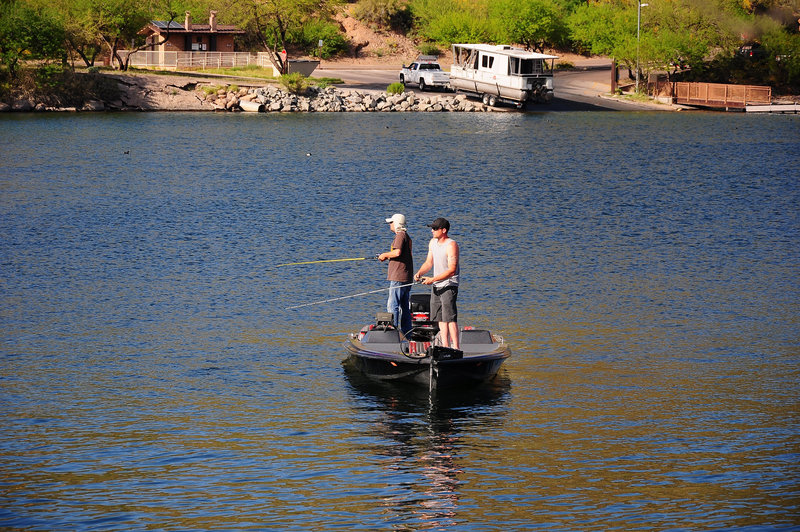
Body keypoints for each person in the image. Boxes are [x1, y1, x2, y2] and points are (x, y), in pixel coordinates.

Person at [414, 217, 460, 350]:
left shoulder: (451, 245)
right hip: (436, 285)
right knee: (440, 318)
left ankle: (456, 348)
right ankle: (445, 347)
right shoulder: (432, 243)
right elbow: (429, 262)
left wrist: (432, 279)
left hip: (448, 285)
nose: (432, 231)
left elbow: (452, 270)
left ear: (444, 230)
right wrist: (420, 273)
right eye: (431, 228)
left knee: (449, 318)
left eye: (435, 228)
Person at [378, 213, 413, 335]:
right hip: (406, 276)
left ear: (397, 223)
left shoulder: (400, 235)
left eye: (391, 222)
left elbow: (397, 252)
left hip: (398, 277)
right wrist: (387, 256)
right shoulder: (406, 236)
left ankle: (394, 333)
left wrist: (385, 255)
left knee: (392, 305)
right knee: (404, 307)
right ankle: (407, 333)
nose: (390, 225)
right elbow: (401, 255)